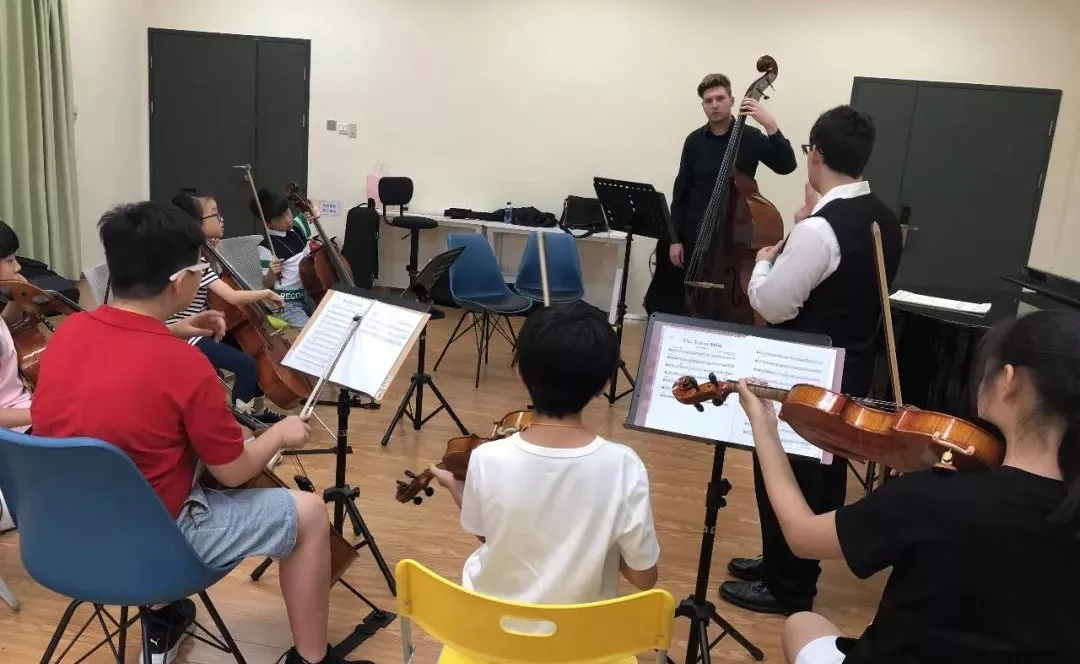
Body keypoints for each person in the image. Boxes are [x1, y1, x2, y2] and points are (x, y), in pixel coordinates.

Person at [30, 201, 368, 664]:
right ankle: (312, 659)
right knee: (307, 513)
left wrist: (173, 329)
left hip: (61, 535)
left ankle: (164, 618)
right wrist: (281, 434)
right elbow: (232, 472)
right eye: (198, 269)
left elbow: (124, 351)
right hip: (155, 547)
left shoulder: (70, 332)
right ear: (179, 282)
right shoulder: (186, 366)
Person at [736, 308, 1080, 663]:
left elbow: (801, 535)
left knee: (802, 624)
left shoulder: (932, 496)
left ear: (1009, 381)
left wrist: (764, 427)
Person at [721, 105, 903, 615]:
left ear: (816, 154)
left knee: (789, 471)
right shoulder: (885, 220)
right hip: (852, 367)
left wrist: (763, 264)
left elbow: (773, 304)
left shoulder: (821, 229)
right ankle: (782, 562)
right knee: (821, 472)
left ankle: (787, 586)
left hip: (805, 373)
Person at [431, 301, 660, 604]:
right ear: (604, 384)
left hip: (490, 625)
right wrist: (598, 537)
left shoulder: (488, 458)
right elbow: (644, 578)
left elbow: (489, 535)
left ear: (521, 373)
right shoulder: (624, 466)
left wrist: (455, 486)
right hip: (580, 631)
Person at [645, 72, 797, 316]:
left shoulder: (750, 137)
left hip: (731, 241)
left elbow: (787, 165)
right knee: (681, 303)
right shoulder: (694, 141)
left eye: (720, 98)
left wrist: (770, 124)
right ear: (703, 105)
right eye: (708, 100)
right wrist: (674, 239)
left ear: (732, 100)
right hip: (693, 237)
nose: (714, 105)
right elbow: (681, 193)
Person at [170, 188, 285, 423]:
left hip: (202, 328)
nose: (222, 219)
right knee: (246, 364)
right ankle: (242, 421)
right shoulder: (192, 260)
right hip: (186, 335)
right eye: (215, 214)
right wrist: (267, 292)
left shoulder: (201, 255)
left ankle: (256, 410)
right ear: (195, 223)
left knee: (250, 351)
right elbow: (232, 296)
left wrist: (213, 255)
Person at [251, 188, 315, 328]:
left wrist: (313, 210)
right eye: (280, 218)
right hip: (288, 302)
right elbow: (266, 284)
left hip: (311, 293)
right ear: (268, 223)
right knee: (308, 331)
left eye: (287, 212)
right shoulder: (265, 247)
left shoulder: (297, 227)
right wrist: (271, 273)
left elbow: (311, 205)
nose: (287, 220)